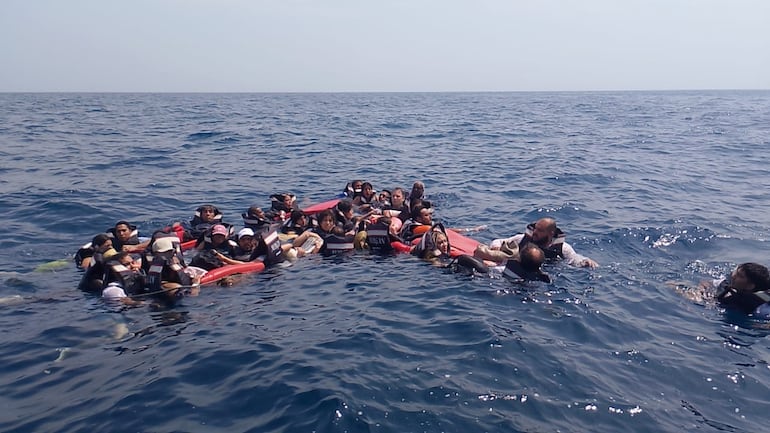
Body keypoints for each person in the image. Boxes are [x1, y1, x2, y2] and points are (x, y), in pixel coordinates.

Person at [489, 218, 598, 268]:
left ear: (550, 234)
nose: (535, 232)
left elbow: (574, 259)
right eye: (535, 229)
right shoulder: (522, 238)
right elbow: (499, 241)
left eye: (540, 231)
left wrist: (585, 261)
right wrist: (496, 246)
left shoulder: (563, 248)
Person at [146, 237, 201, 303]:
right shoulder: (165, 264)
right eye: (165, 252)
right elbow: (193, 293)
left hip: (160, 295)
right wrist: (195, 284)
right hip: (167, 295)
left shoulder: (158, 264)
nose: (167, 254)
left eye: (169, 252)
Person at [701, 263, 770, 315]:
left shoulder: (761, 307)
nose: (733, 276)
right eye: (736, 272)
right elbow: (706, 283)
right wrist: (698, 293)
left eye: (740, 276)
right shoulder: (729, 282)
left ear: (750, 286)